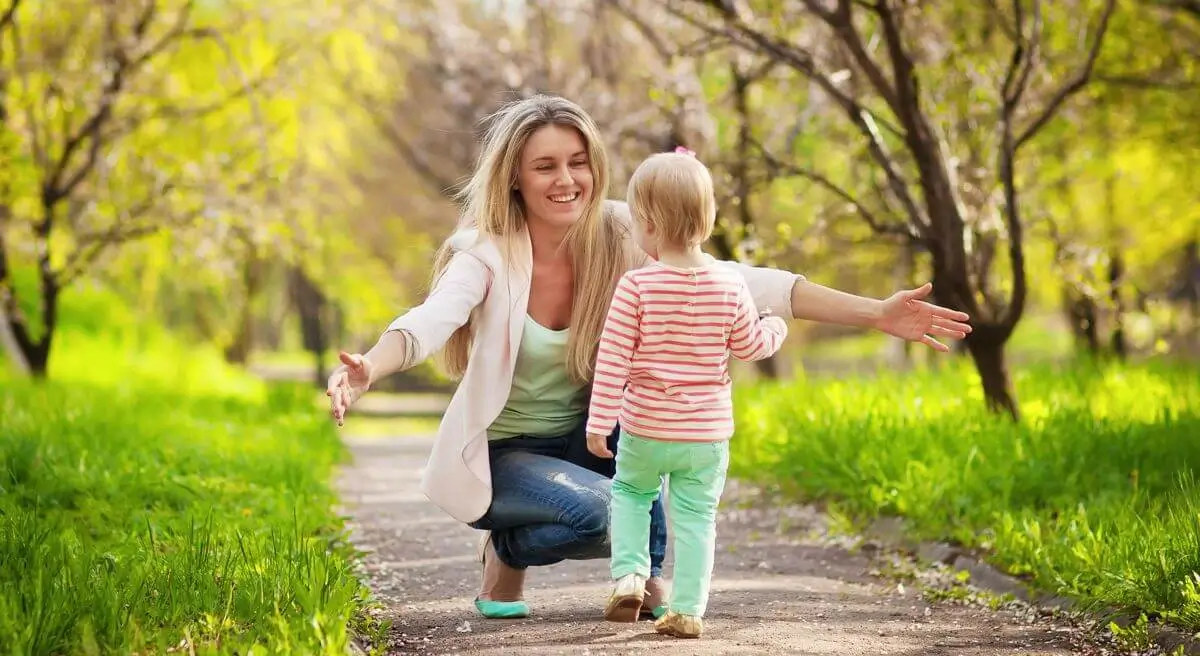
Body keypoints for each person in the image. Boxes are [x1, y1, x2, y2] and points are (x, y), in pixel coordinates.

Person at [325, 94, 972, 621]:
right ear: (515, 178)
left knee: (625, 506)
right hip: (504, 457)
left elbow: (752, 283)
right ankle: (519, 542)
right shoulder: (485, 253)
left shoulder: (622, 231)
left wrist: (876, 312)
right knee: (611, 513)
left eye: (577, 161)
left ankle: (517, 549)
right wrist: (369, 369)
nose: (566, 179)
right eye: (545, 165)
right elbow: (428, 323)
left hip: (588, 443)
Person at [584, 150, 787, 638]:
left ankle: (631, 575)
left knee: (631, 494)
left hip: (645, 428)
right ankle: (688, 610)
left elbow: (611, 359)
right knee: (698, 519)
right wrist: (775, 324)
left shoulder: (635, 287)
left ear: (649, 223)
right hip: (706, 436)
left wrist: (597, 424)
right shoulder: (731, 285)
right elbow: (751, 345)